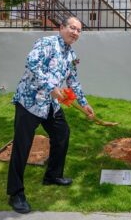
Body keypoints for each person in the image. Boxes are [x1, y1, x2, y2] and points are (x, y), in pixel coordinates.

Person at [6, 16, 94, 214]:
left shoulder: (71, 54)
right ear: (61, 27)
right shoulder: (47, 42)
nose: (75, 33)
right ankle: (16, 193)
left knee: (62, 134)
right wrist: (50, 86)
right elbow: (31, 63)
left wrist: (84, 103)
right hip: (29, 101)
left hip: (50, 105)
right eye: (72, 28)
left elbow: (73, 81)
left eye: (79, 30)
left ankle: (53, 175)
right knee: (22, 146)